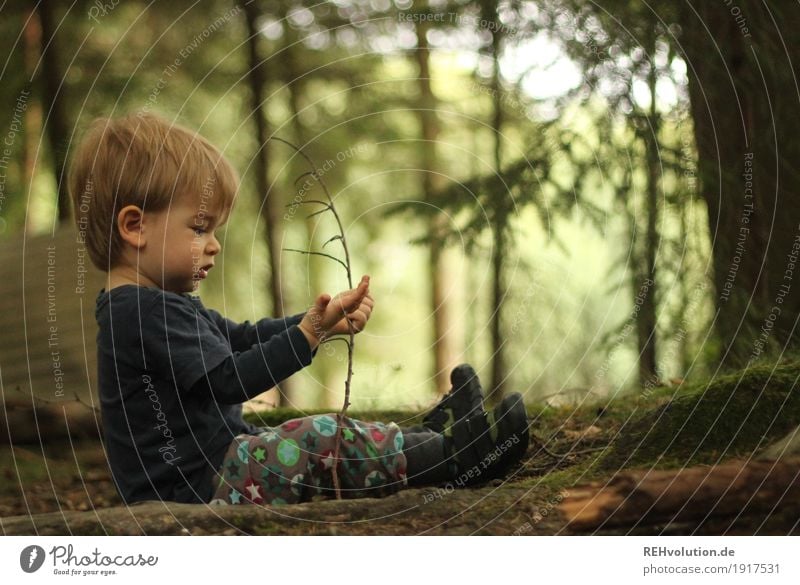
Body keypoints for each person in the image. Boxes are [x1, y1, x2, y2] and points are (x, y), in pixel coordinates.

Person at [69, 112, 530, 506]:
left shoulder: (158, 305)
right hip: (196, 492)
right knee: (318, 438)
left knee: (315, 434)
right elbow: (230, 380)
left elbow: (243, 338)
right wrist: (307, 335)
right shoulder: (140, 314)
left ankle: (435, 442)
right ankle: (454, 458)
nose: (213, 246)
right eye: (199, 228)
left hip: (219, 470)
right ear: (135, 227)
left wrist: (319, 322)